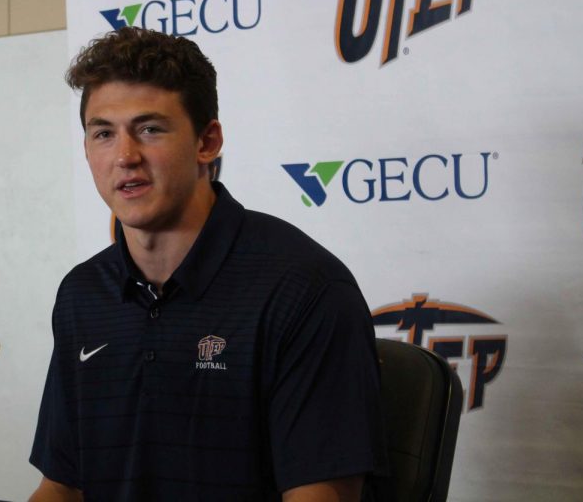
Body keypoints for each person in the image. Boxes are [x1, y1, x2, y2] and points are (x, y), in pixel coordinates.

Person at [29, 27, 386, 501]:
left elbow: (318, 496)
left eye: (150, 129)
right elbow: (62, 487)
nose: (125, 157)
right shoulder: (82, 295)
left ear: (207, 141)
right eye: (103, 134)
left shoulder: (305, 289)